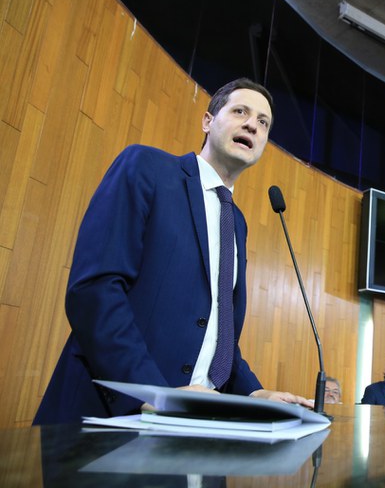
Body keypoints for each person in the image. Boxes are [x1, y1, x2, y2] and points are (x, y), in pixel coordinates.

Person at [34, 78, 311, 425]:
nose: (252, 125)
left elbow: (217, 333)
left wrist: (254, 392)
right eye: (240, 111)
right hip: (109, 420)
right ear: (207, 121)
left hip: (195, 426)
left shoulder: (236, 222)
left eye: (263, 122)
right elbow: (95, 289)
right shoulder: (147, 167)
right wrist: (153, 394)